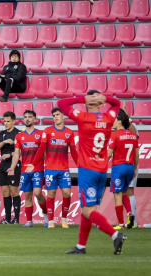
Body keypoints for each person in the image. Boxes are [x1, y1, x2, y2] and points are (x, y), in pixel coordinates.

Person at [57, 90, 127, 255]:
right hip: (102, 171)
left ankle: (115, 235)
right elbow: (117, 103)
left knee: (88, 210)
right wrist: (106, 99)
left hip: (87, 170)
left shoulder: (82, 117)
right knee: (87, 209)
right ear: (101, 103)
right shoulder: (109, 117)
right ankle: (81, 246)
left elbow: (61, 104)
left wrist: (83, 99)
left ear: (87, 103)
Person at [25, 108, 78, 229]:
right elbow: (41, 148)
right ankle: (51, 221)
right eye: (54, 115)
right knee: (51, 193)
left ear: (64, 116)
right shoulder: (47, 131)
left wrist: (79, 164)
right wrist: (33, 163)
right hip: (50, 168)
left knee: (67, 193)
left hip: (64, 169)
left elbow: (74, 152)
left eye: (58, 115)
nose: (55, 117)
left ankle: (64, 219)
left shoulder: (69, 132)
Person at [7, 110, 49, 228]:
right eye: (25, 117)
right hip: (25, 171)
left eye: (30, 117)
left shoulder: (41, 134)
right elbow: (16, 154)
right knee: (27, 195)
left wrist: (47, 167)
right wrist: (12, 167)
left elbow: (44, 153)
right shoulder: (19, 136)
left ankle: (46, 215)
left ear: (35, 119)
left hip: (38, 169)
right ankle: (29, 221)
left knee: (37, 193)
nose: (27, 119)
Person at [107, 109, 138, 230]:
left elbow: (109, 154)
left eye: (114, 120)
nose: (112, 122)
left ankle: (121, 224)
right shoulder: (133, 135)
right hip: (130, 167)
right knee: (124, 192)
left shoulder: (115, 135)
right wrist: (134, 169)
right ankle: (130, 214)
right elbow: (136, 154)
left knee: (117, 195)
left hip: (119, 168)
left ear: (119, 122)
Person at [0, 111, 21, 224]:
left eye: (8, 121)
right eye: (4, 121)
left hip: (13, 164)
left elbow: (20, 152)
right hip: (3, 165)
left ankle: (17, 219)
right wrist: (4, 141)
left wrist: (9, 154)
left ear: (14, 121)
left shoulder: (18, 134)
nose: (6, 123)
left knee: (14, 191)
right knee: (5, 191)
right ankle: (8, 218)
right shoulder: (1, 134)